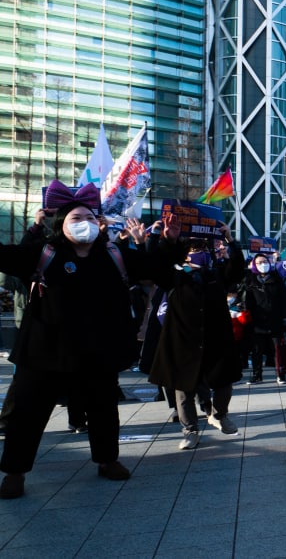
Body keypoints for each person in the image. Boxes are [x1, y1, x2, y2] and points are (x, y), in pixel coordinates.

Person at [0, 181, 182, 500]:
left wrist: (168, 241)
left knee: (103, 410)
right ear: (61, 224)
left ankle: (107, 460)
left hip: (98, 351)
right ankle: (15, 472)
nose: (84, 223)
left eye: (89, 217)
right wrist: (34, 228)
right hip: (45, 352)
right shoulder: (44, 253)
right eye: (76, 218)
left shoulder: (114, 254)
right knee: (27, 414)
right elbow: (5, 256)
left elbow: (159, 271)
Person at [148, 225, 247, 450]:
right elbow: (155, 265)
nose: (200, 253)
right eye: (194, 250)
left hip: (216, 339)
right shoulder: (175, 276)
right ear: (185, 255)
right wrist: (161, 239)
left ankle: (219, 415)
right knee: (183, 389)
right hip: (184, 340)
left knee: (224, 382)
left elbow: (237, 269)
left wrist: (230, 240)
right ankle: (190, 430)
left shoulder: (216, 274)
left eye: (203, 249)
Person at [244, 251, 286, 384]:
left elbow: (284, 299)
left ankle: (280, 374)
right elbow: (248, 302)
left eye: (265, 262)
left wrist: (285, 318)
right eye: (259, 262)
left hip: (275, 320)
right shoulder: (251, 280)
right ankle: (257, 375)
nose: (262, 264)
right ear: (254, 265)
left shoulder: (276, 279)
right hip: (257, 321)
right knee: (257, 350)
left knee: (277, 349)